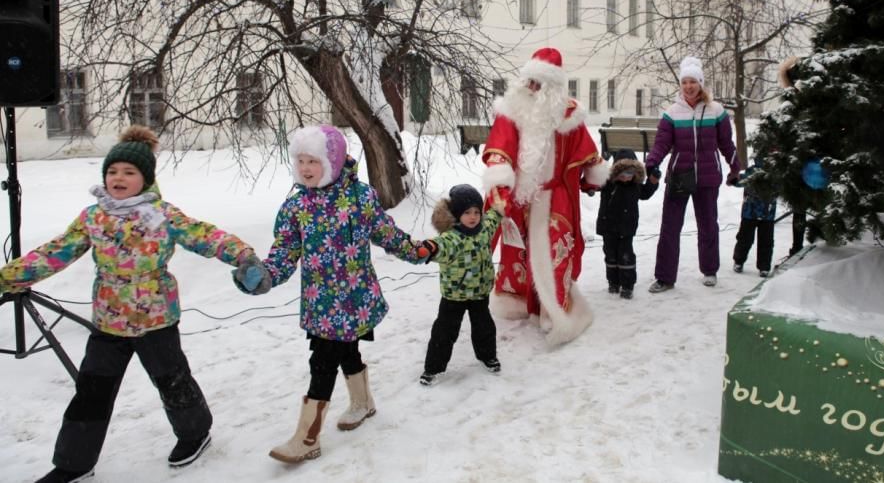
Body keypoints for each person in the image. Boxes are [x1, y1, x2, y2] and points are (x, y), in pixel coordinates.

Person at [0, 125, 260, 483]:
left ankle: (195, 433)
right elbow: (55, 252)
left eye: (128, 172)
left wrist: (243, 256)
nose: (118, 178)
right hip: (109, 321)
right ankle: (74, 462)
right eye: (112, 171)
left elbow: (205, 235)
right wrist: (9, 276)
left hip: (156, 319)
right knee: (92, 391)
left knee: (173, 382)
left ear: (146, 179)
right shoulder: (94, 217)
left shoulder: (162, 215)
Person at [232, 124, 426, 464]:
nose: (305, 168)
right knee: (342, 354)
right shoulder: (296, 207)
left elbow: (386, 233)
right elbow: (284, 254)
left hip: (355, 300)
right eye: (301, 161)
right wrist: (264, 276)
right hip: (321, 303)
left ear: (333, 162)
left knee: (323, 364)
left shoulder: (360, 197)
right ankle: (363, 404)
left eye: (314, 161)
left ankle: (308, 438)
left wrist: (418, 250)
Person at [481, 47, 608, 345]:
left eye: (540, 83)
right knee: (517, 254)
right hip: (519, 199)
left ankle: (553, 311)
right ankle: (519, 304)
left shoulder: (567, 117)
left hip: (555, 199)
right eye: (530, 82)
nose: (533, 88)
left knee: (555, 253)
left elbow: (585, 151)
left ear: (553, 87)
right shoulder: (513, 111)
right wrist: (500, 181)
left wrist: (594, 172)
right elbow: (500, 149)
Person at [645, 57, 740, 290]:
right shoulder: (672, 113)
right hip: (679, 176)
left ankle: (710, 270)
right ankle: (665, 277)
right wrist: (652, 163)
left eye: (693, 82)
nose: (688, 86)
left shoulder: (716, 111)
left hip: (708, 177)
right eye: (685, 82)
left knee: (708, 224)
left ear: (701, 83)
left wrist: (735, 167)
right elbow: (661, 144)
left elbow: (726, 144)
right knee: (670, 226)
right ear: (680, 84)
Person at [416, 184, 506, 386]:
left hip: (480, 292)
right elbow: (439, 246)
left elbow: (492, 219)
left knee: (484, 328)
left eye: (476, 212)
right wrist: (429, 248)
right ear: (457, 214)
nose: (473, 217)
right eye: (467, 212)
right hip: (453, 296)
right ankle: (433, 368)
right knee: (444, 332)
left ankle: (487, 356)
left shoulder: (484, 230)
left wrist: (498, 210)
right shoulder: (451, 237)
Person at [595, 149, 659, 299]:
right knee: (610, 255)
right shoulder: (608, 184)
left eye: (630, 174)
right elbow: (593, 184)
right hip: (608, 227)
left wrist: (652, 182)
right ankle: (613, 282)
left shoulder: (635, 186)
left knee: (626, 256)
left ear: (635, 174)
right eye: (622, 174)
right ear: (615, 173)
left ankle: (628, 285)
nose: (625, 178)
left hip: (626, 228)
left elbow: (646, 193)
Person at [730, 161, 778, 278]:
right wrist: (733, 179)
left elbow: (781, 187)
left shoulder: (776, 174)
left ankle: (764, 266)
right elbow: (741, 180)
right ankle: (739, 261)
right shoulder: (752, 171)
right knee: (745, 239)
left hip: (767, 214)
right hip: (750, 213)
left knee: (765, 241)